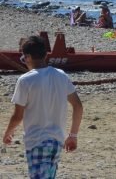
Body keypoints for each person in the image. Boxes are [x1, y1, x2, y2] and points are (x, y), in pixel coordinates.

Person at [3, 35, 84, 179]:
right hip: (57, 140)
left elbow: (18, 116)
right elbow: (77, 106)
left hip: (37, 140)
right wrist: (73, 135)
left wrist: (8, 132)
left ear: (27, 57)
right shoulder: (61, 75)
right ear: (46, 54)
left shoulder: (25, 80)